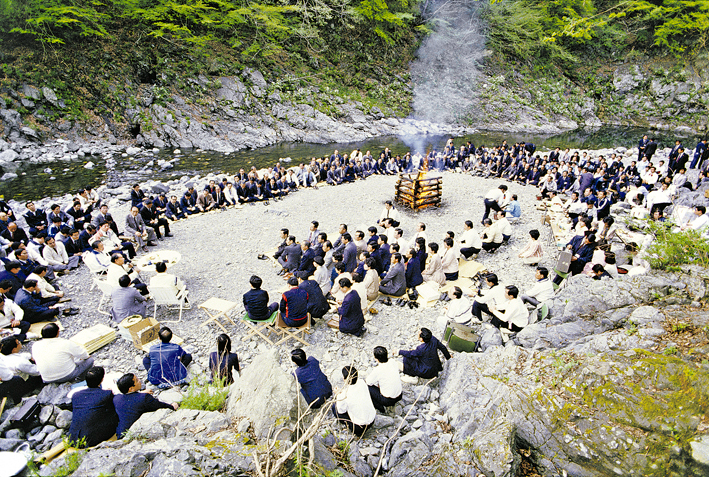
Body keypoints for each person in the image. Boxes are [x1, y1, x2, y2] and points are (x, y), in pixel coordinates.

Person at [114, 373, 178, 438]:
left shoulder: (116, 398)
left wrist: (139, 393)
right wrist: (172, 406)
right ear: (131, 389)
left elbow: (130, 397)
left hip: (120, 433)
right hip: (135, 434)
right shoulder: (145, 398)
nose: (140, 381)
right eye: (137, 380)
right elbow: (160, 405)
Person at [68, 366, 119, 447]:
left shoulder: (76, 395)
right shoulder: (106, 394)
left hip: (73, 438)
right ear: (102, 379)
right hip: (91, 440)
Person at [332, 366, 376, 437]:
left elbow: (341, 411)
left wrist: (338, 395)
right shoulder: (362, 382)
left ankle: (355, 431)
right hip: (371, 420)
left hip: (359, 427)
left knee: (335, 407)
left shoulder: (344, 395)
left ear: (345, 379)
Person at [0, 337, 42, 403]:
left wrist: (29, 356)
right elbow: (37, 371)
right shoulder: (20, 362)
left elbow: (21, 355)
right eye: (18, 343)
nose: (20, 342)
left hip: (10, 383)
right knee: (38, 376)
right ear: (13, 349)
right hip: (22, 384)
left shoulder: (2, 356)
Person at [365, 346, 402, 413]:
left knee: (367, 387)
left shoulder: (378, 370)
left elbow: (368, 382)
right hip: (399, 395)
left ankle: (380, 408)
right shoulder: (392, 361)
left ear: (376, 359)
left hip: (388, 400)